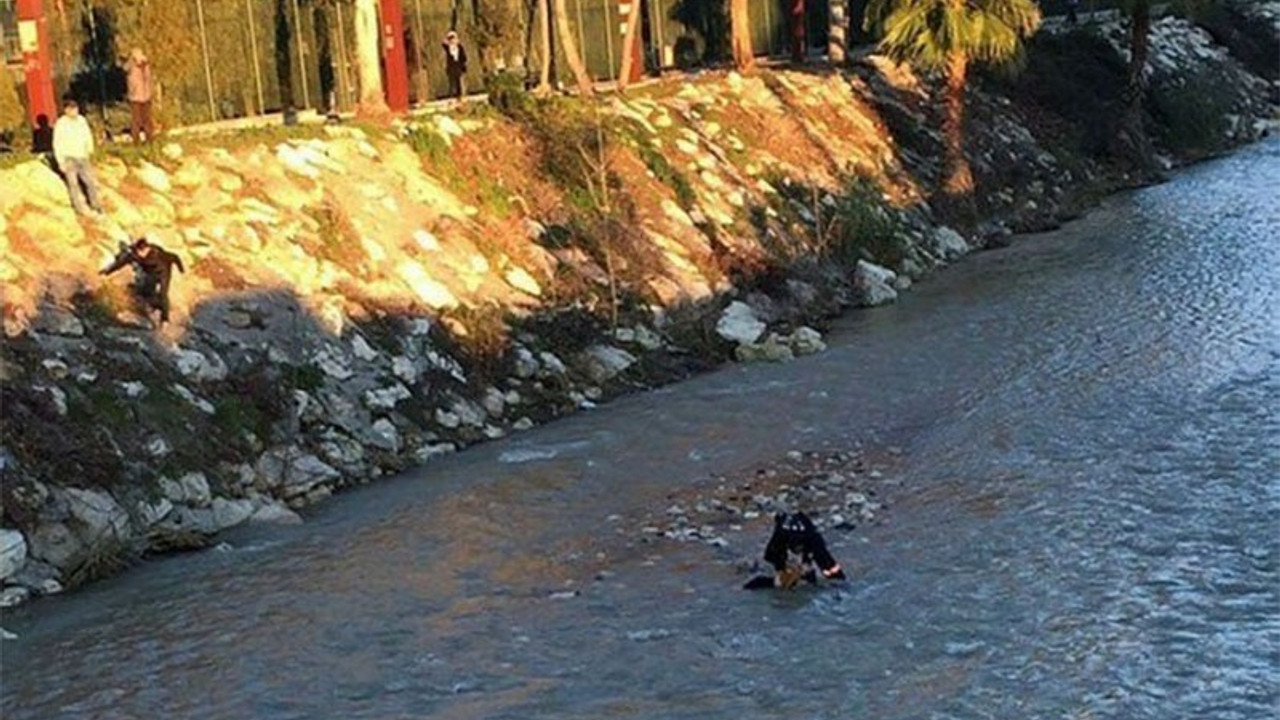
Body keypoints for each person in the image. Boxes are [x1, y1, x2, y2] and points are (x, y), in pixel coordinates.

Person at [743, 511, 847, 590]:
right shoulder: (780, 539)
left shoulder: (814, 541)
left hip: (806, 539)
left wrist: (837, 580)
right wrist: (782, 569)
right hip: (786, 541)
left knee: (822, 566)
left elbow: (829, 565)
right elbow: (770, 556)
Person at [99, 236, 185, 326]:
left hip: (163, 272)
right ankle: (152, 306)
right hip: (149, 273)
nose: (140, 254)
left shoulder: (159, 255)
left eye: (142, 252)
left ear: (147, 249)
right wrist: (107, 271)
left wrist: (181, 269)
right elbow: (122, 262)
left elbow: (175, 257)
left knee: (163, 293)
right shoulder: (136, 253)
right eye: (138, 251)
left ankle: (165, 319)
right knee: (145, 290)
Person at [53, 98, 104, 216]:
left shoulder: (81, 121)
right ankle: (79, 208)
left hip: (82, 156)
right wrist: (60, 161)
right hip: (69, 157)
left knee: (90, 181)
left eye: (75, 108)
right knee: (73, 184)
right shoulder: (61, 124)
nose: (74, 111)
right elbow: (57, 143)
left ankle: (96, 205)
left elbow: (87, 135)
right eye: (71, 109)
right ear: (66, 110)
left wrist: (89, 149)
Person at [125, 47, 155, 143]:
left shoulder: (145, 66)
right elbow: (126, 68)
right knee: (136, 120)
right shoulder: (131, 66)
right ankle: (135, 140)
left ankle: (149, 138)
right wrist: (133, 61)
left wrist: (145, 64)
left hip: (146, 95)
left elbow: (149, 78)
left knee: (147, 119)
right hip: (135, 97)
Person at [442, 30, 468, 101]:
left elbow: (464, 57)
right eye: (451, 39)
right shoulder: (448, 47)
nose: (452, 40)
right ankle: (452, 96)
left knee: (459, 82)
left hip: (458, 66)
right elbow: (444, 43)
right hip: (451, 67)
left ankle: (460, 96)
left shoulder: (459, 47)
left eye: (453, 38)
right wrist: (448, 38)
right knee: (452, 82)